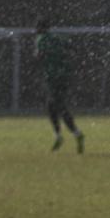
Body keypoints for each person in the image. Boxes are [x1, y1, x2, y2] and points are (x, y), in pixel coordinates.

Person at [35, 18, 84, 153]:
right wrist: (65, 62)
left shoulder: (41, 39)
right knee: (51, 106)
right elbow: (73, 48)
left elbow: (39, 56)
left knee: (59, 106)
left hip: (53, 77)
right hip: (64, 76)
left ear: (41, 28)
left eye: (37, 27)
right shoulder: (58, 38)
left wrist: (44, 59)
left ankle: (76, 133)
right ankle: (59, 136)